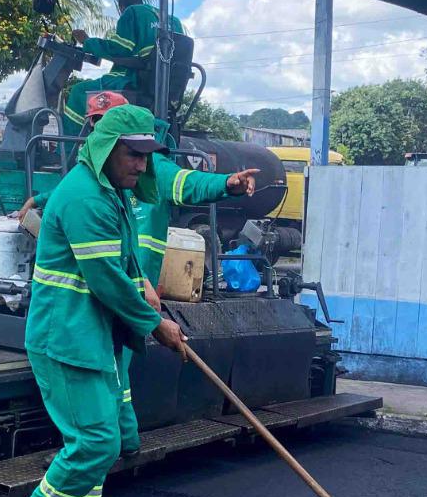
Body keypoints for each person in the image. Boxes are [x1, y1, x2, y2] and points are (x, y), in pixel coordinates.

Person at [0, 104, 188, 497]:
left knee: (92, 450)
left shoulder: (113, 194)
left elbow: (121, 258)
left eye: (148, 158)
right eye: (134, 155)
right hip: (65, 340)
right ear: (106, 149)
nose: (142, 166)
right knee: (96, 444)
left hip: (91, 338)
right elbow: (105, 278)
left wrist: (143, 279)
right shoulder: (85, 197)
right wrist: (156, 325)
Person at [15, 89, 257, 454]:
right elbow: (75, 200)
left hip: (135, 282)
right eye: (95, 123)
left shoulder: (144, 171)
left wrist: (226, 184)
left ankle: (120, 443)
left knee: (117, 366)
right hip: (114, 291)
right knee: (111, 373)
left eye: (106, 121)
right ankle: (117, 444)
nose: (98, 130)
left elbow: (187, 183)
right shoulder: (94, 184)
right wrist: (39, 198)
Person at [60, 0, 183, 137]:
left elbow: (120, 49)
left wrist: (88, 42)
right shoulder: (173, 21)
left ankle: (69, 150)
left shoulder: (132, 12)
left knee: (79, 91)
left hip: (134, 80)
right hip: (165, 89)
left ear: (122, 8)